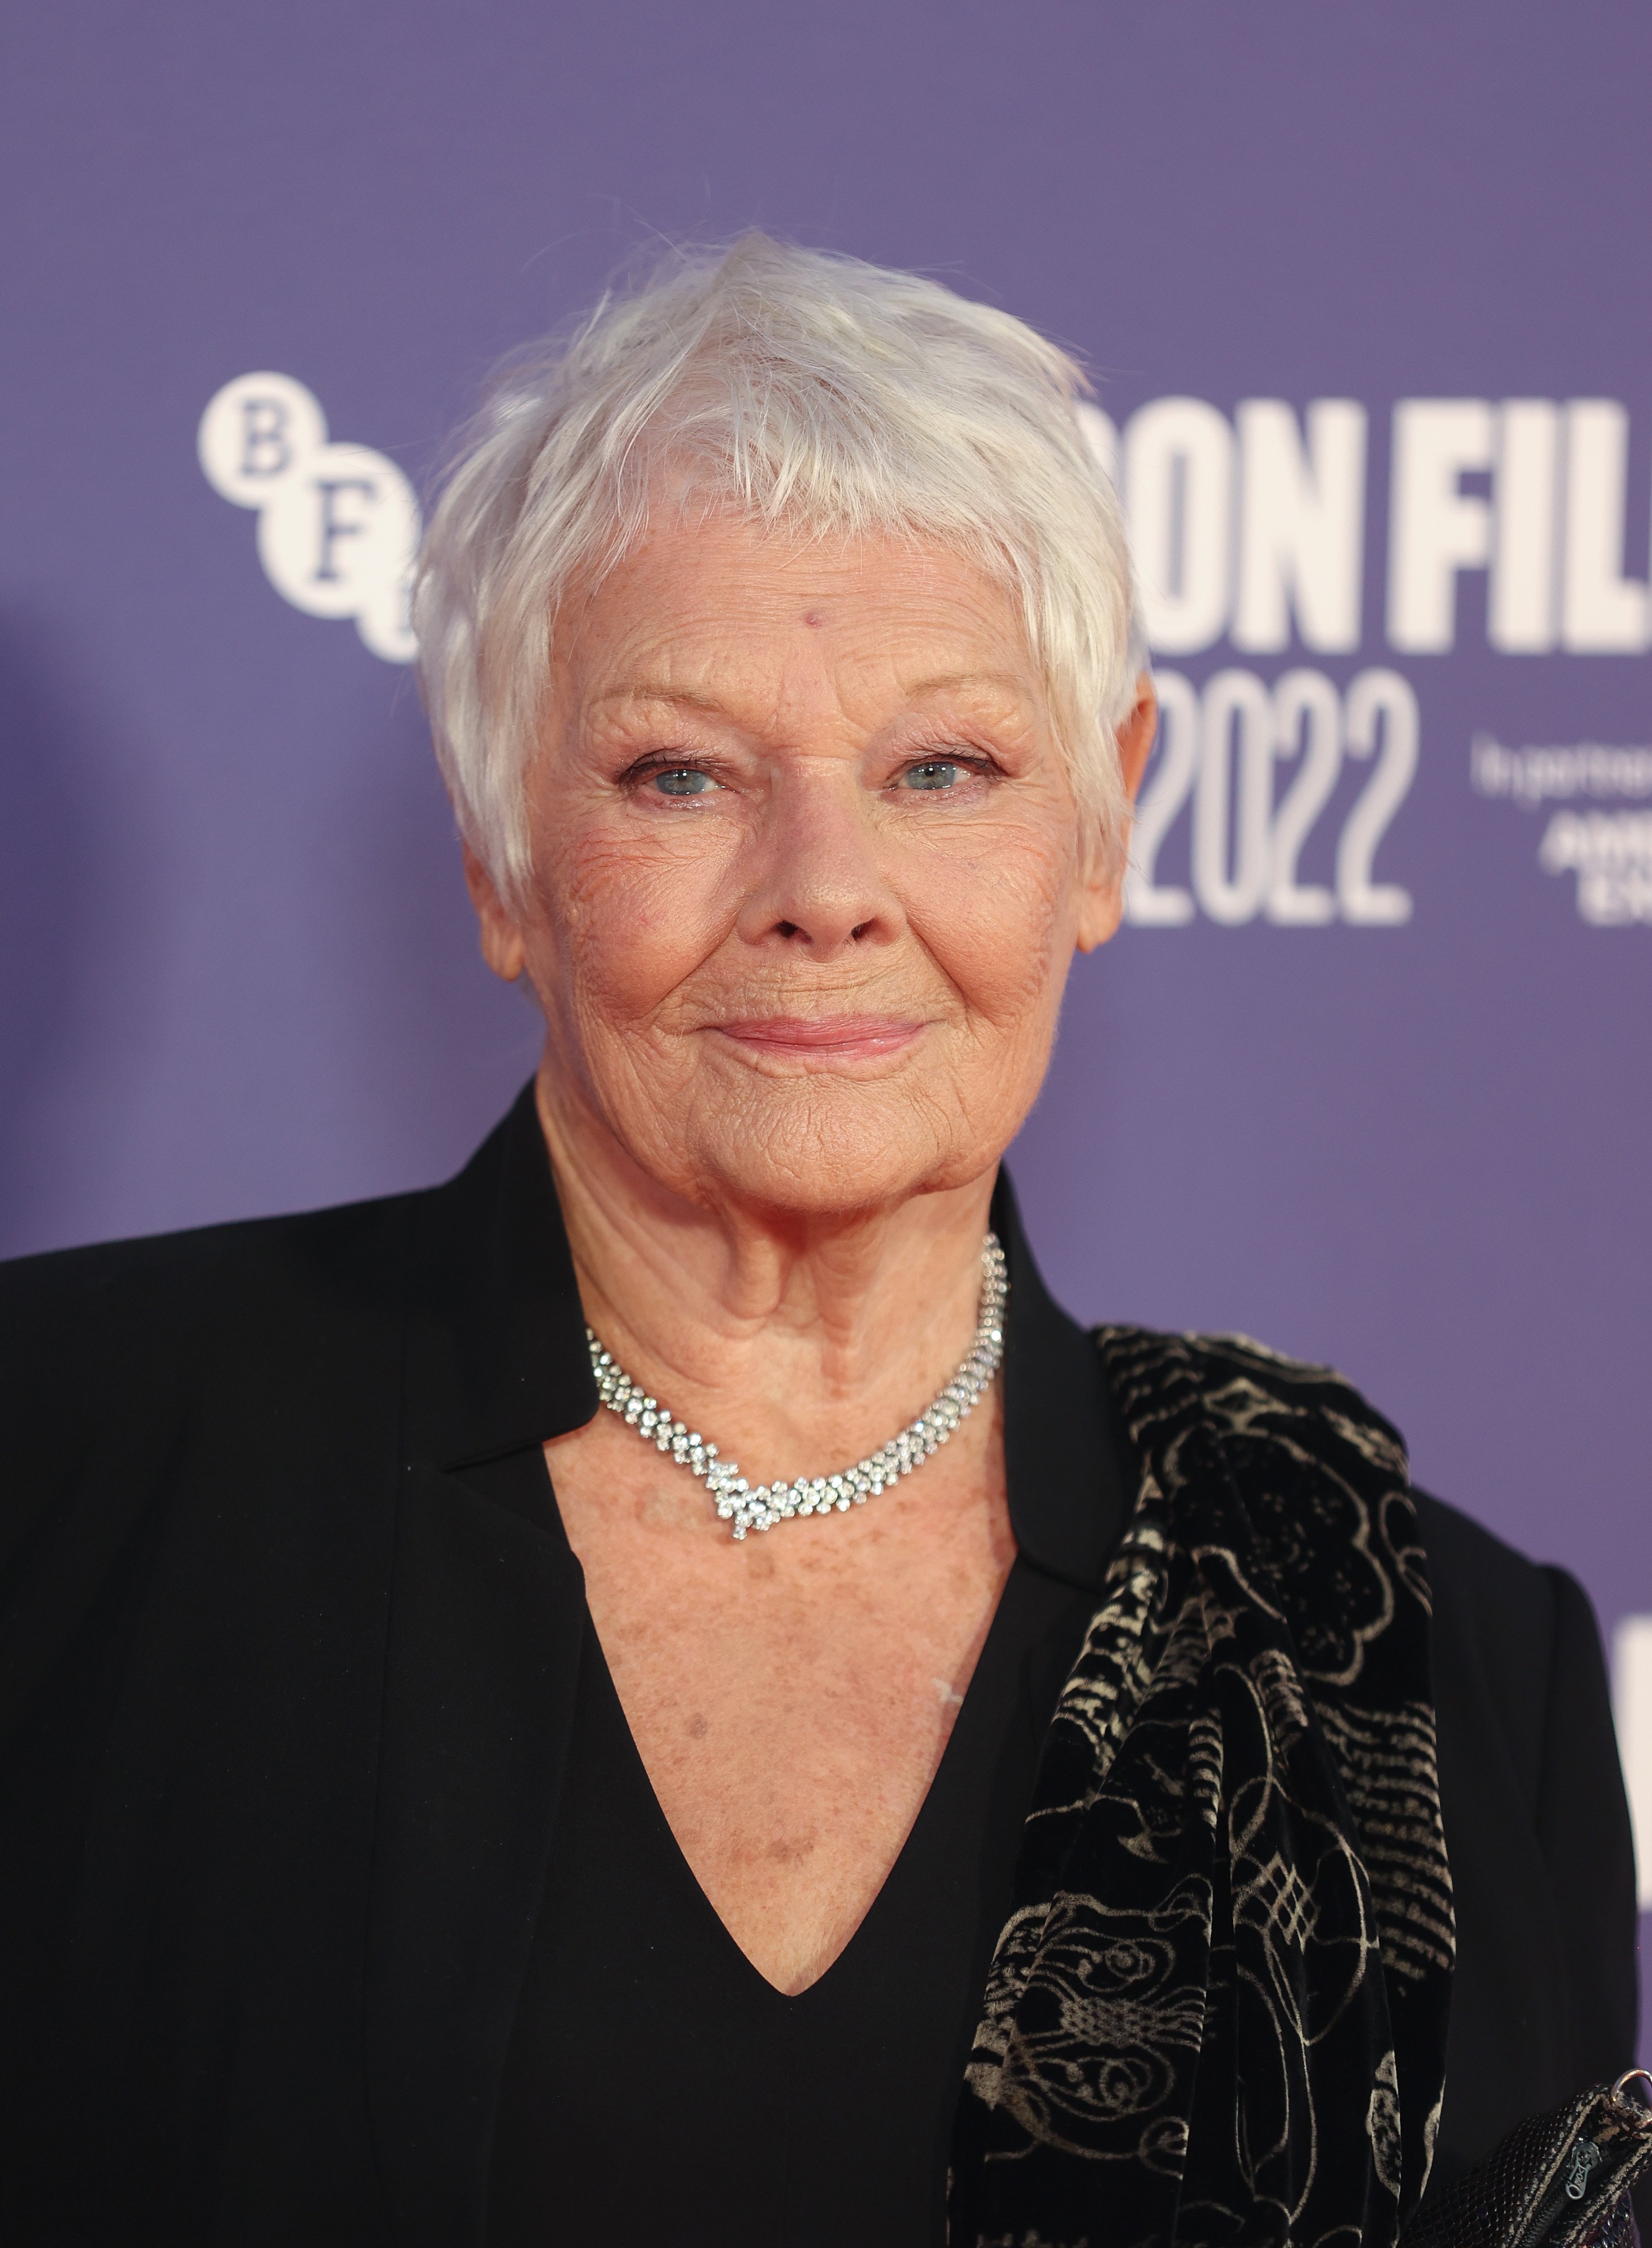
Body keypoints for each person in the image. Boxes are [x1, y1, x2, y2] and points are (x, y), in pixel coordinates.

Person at [0, 236, 1636, 2248]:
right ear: (504, 855)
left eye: (941, 768)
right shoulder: (57, 1481)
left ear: (1103, 825)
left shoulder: (1428, 1657)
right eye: (681, 773)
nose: (824, 890)